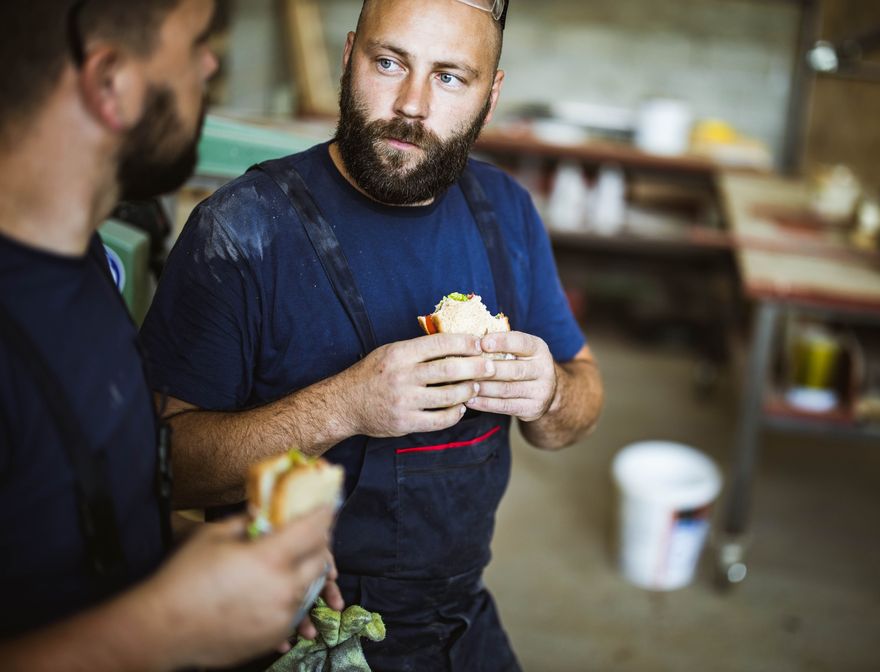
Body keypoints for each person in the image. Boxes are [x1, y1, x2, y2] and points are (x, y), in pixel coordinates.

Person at [140, 0, 604, 669]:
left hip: (458, 625)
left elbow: (581, 405)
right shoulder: (242, 230)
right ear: (350, 53)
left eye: (450, 78)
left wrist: (552, 394)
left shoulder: (507, 213)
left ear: (490, 95)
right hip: (292, 631)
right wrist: (348, 406)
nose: (411, 105)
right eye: (389, 63)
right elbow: (160, 468)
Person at [0, 1, 343, 669]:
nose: (211, 65)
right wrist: (168, 623)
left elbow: (74, 526)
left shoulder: (86, 268)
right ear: (110, 83)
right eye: (195, 44)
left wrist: (216, 564)